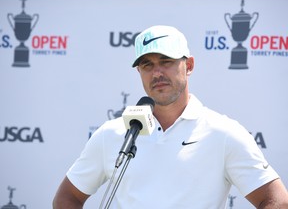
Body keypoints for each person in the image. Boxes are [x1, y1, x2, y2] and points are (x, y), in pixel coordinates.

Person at [53, 25, 288, 208]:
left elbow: (276, 200)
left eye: (166, 62)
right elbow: (67, 198)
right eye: (147, 65)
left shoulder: (223, 132)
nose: (157, 73)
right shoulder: (112, 133)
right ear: (139, 72)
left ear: (190, 65)